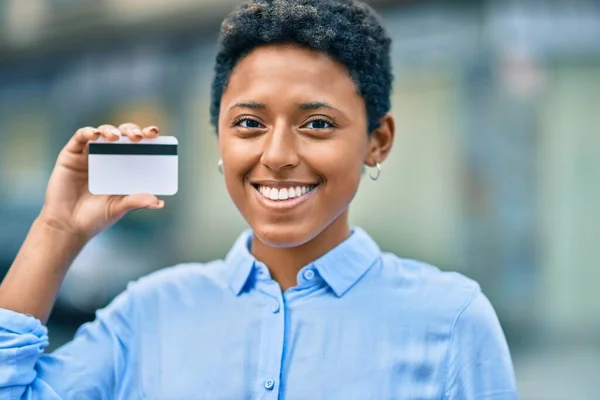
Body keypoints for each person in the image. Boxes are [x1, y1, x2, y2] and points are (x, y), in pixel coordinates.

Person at [0, 0, 518, 399]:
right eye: (249, 124)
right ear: (219, 140)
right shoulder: (146, 314)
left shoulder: (452, 320)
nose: (276, 155)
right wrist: (57, 231)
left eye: (317, 124)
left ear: (377, 141)